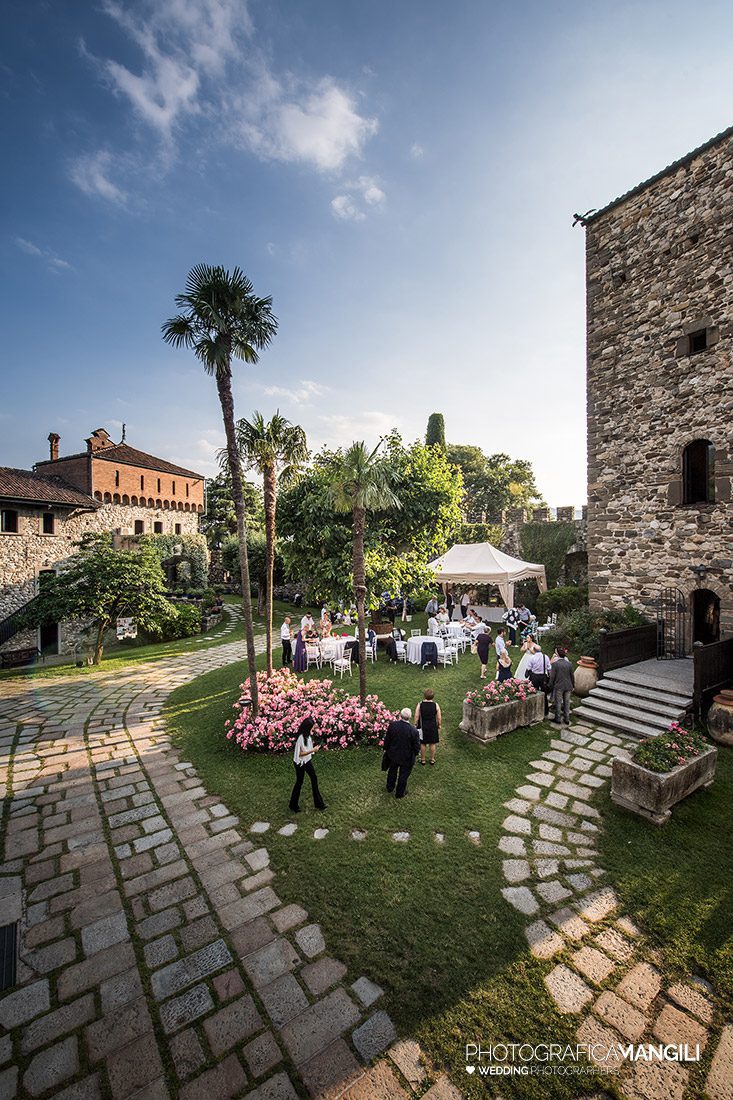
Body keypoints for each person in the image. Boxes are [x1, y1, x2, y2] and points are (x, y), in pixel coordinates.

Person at [289, 718, 326, 812]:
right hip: (300, 763)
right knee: (299, 782)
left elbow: (306, 751)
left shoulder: (307, 735)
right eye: (312, 727)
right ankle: (293, 805)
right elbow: (300, 754)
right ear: (307, 728)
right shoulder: (301, 738)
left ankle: (319, 803)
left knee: (314, 778)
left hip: (307, 761)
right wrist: (313, 750)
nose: (313, 728)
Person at [383, 708, 421, 798]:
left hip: (393, 754)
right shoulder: (413, 731)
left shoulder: (393, 725)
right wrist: (415, 753)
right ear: (410, 717)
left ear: (400, 715)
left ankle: (390, 787)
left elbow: (387, 738)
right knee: (403, 775)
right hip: (407, 757)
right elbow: (416, 746)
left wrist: (386, 748)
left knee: (392, 771)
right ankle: (400, 793)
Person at [548, 647, 575, 725]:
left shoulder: (555, 664)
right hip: (568, 685)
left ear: (558, 654)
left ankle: (558, 718)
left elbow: (552, 676)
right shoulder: (569, 663)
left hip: (559, 685)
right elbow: (572, 675)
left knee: (558, 702)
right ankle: (566, 718)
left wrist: (550, 684)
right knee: (567, 702)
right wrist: (573, 685)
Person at [415, 689, 441, 765]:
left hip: (422, 726)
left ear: (424, 696)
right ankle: (432, 759)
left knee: (423, 743)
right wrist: (439, 725)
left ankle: (423, 760)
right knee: (432, 743)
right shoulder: (436, 705)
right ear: (433, 697)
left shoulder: (420, 704)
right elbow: (439, 717)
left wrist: (415, 724)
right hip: (433, 726)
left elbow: (416, 716)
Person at [526, 644, 551, 715]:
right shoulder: (545, 657)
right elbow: (549, 668)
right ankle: (545, 710)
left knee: (533, 692)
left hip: (535, 676)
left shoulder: (532, 657)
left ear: (534, 650)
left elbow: (528, 668)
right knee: (544, 693)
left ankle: (534, 710)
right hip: (543, 676)